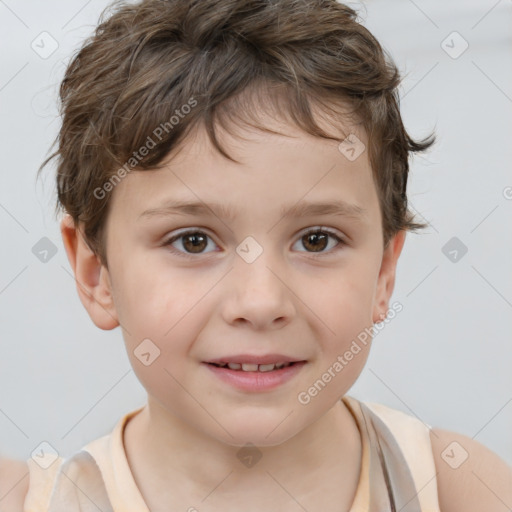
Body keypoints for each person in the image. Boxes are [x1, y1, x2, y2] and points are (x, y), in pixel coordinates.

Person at [21, 0, 512, 510]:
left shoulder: (459, 487)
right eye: (193, 241)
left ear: (384, 272)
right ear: (96, 271)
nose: (260, 302)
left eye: (316, 240)